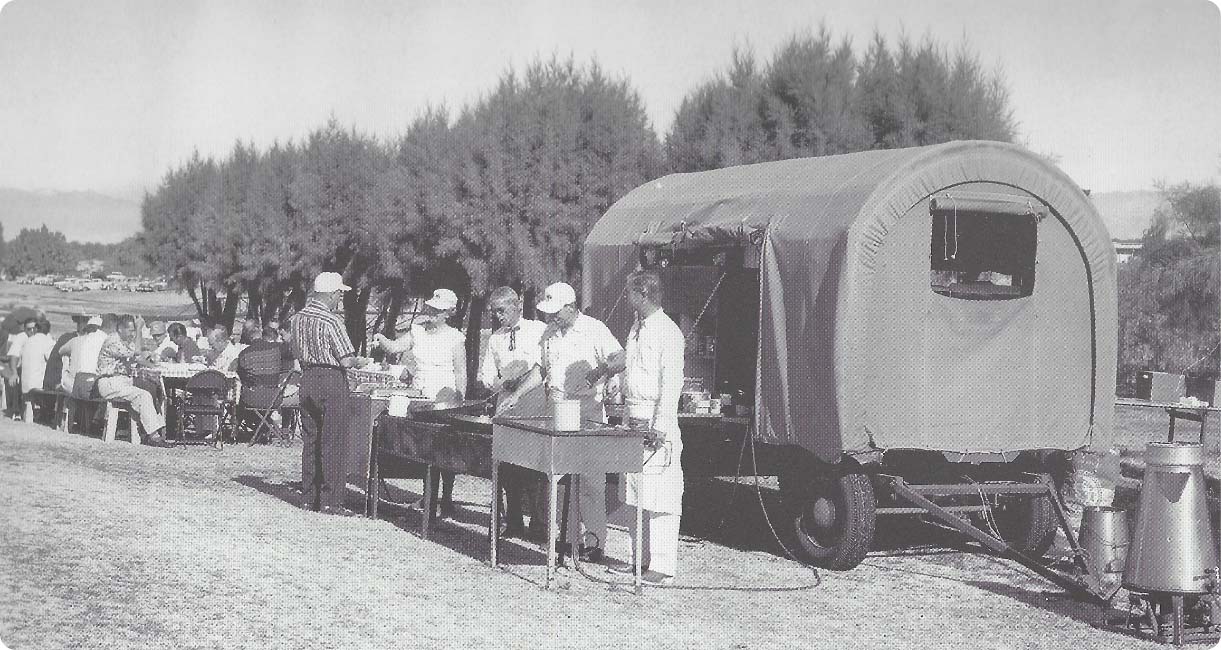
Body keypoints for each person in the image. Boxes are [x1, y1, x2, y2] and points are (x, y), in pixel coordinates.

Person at [502, 281, 624, 562]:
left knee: (591, 482)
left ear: (571, 307)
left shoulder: (594, 329)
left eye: (556, 311)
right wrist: (517, 395)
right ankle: (568, 539)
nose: (551, 317)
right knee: (560, 479)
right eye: (548, 312)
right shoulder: (549, 333)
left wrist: (609, 376)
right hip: (556, 411)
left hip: (587, 412)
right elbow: (540, 369)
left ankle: (594, 543)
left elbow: (618, 357)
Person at [613, 270, 685, 585]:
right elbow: (631, 370)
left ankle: (663, 565)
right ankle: (639, 560)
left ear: (643, 293)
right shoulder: (636, 328)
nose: (627, 299)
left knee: (661, 496)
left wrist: (661, 425)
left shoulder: (668, 332)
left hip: (656, 420)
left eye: (630, 293)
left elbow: (671, 383)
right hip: (633, 415)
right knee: (633, 492)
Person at [373, 287, 466, 517]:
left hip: (445, 398)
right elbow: (394, 347)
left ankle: (446, 497)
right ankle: (429, 497)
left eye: (438, 310)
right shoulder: (417, 332)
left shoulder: (455, 338)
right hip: (420, 396)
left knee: (445, 450)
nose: (432, 313)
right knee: (426, 450)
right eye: (431, 308)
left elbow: (461, 372)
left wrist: (460, 399)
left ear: (449, 312)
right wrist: (381, 338)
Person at [289, 271, 370, 514]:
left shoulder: (297, 319)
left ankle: (308, 498)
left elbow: (295, 351)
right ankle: (331, 501)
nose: (339, 300)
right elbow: (345, 360)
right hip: (331, 380)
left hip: (308, 378)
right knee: (333, 441)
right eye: (339, 295)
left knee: (311, 441)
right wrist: (361, 361)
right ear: (333, 294)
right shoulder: (332, 320)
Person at [477, 286, 548, 539]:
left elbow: (545, 366)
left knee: (535, 467)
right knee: (508, 466)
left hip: (534, 403)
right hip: (506, 403)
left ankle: (540, 525)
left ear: (517, 305)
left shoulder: (538, 330)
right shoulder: (495, 338)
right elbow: (487, 375)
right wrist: (501, 381)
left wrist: (524, 376)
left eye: (502, 310)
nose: (498, 316)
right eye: (494, 312)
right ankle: (514, 521)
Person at [95, 314, 168, 446]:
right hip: (109, 382)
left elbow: (138, 358)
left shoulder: (124, 341)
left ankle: (157, 429)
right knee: (143, 395)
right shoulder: (113, 341)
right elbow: (137, 352)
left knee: (150, 387)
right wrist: (139, 328)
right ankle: (153, 436)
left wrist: (155, 366)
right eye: (131, 330)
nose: (132, 334)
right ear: (121, 329)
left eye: (134, 331)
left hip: (121, 381)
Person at [5, 318, 37, 418]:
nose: (32, 331)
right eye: (29, 329)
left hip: (37, 369)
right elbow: (14, 357)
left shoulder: (41, 337)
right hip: (21, 368)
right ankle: (16, 410)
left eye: (34, 328)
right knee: (17, 376)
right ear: (24, 329)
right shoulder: (21, 337)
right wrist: (14, 373)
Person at [20, 319, 54, 397]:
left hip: (26, 384)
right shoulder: (48, 341)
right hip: (38, 385)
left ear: (36, 329)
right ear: (48, 330)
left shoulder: (28, 341)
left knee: (27, 406)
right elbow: (52, 360)